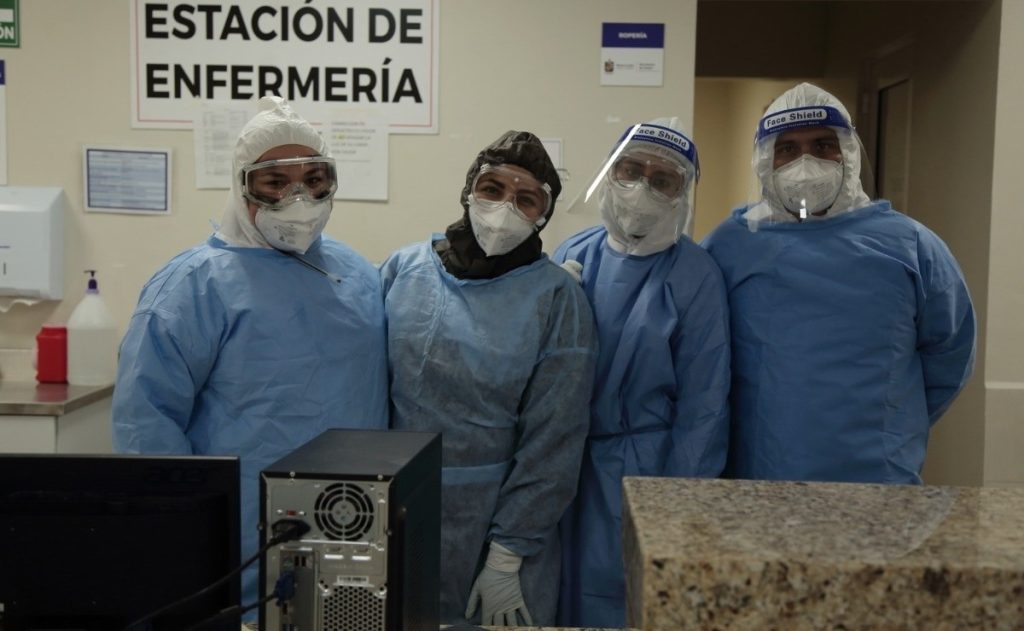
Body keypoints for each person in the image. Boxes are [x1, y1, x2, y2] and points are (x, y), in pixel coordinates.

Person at [112, 96, 389, 611]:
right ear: (242, 186)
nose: (298, 198)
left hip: (351, 529)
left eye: (314, 179)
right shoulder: (192, 287)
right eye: (275, 182)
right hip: (236, 547)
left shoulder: (355, 274)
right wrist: (179, 539)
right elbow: (145, 427)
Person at [701, 82, 976, 484]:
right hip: (760, 474)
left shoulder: (912, 247)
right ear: (764, 159)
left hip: (875, 477)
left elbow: (950, 355)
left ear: (848, 151)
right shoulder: (730, 245)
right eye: (787, 148)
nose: (806, 162)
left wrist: (892, 424)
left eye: (823, 145)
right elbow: (702, 361)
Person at [380, 130, 597, 626]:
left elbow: (555, 437)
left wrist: (507, 553)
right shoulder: (404, 270)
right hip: (397, 515)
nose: (504, 209)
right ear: (469, 190)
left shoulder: (557, 299)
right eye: (492, 189)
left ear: (543, 215)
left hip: (496, 531)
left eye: (526, 199)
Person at [552, 118, 731, 628]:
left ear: (682, 194)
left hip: (644, 470)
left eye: (662, 179)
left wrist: (676, 507)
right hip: (567, 463)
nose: (641, 189)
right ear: (609, 173)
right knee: (560, 595)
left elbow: (705, 406)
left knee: (623, 598)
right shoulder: (574, 253)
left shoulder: (695, 275)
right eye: (630, 171)